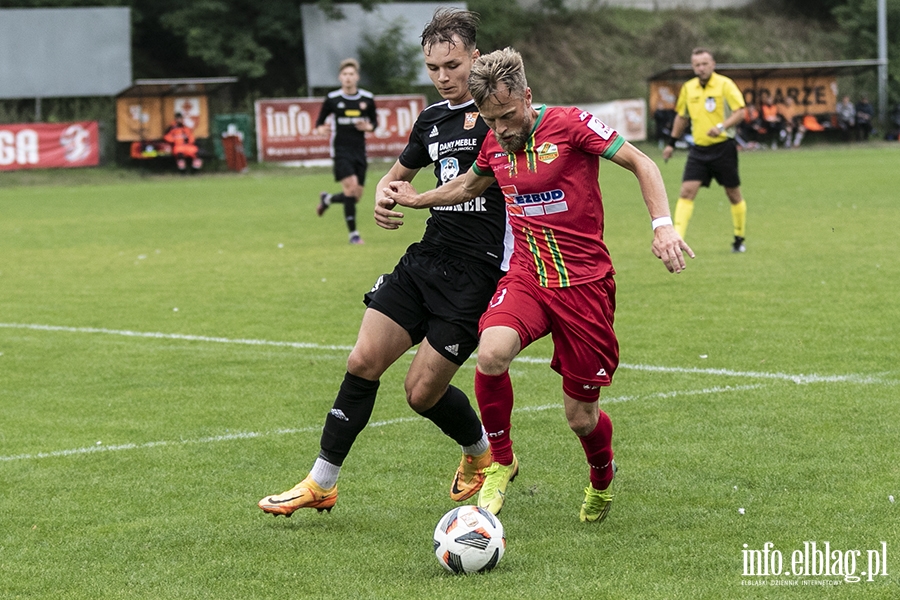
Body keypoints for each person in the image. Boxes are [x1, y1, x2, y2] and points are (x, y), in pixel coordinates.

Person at [384, 47, 693, 522]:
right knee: (490, 353)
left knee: (580, 418)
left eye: (508, 116)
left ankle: (601, 478)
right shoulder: (493, 143)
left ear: (527, 97)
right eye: (490, 121)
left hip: (584, 286)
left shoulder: (571, 125)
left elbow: (642, 163)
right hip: (527, 277)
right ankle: (501, 463)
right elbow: (468, 186)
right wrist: (419, 198)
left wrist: (663, 225)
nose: (501, 129)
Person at [258, 9, 511, 517]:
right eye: (433, 67)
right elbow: (396, 176)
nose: (442, 77)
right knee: (362, 361)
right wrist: (382, 195)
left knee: (420, 394)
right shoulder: (431, 120)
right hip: (427, 258)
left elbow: (473, 184)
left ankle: (482, 454)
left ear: (475, 59)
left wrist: (420, 199)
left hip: (477, 271)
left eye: (452, 64)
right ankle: (321, 482)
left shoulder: (501, 116)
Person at [663, 48, 748, 253]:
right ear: (693, 67)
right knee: (686, 191)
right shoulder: (688, 88)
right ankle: (677, 240)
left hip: (723, 148)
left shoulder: (725, 84)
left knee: (733, 194)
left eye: (704, 64)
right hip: (699, 150)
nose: (701, 68)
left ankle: (739, 237)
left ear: (713, 64)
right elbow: (682, 117)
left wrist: (720, 127)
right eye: (697, 65)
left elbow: (741, 112)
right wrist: (671, 143)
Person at [314, 58, 378, 245]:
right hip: (340, 150)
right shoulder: (333, 99)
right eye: (345, 75)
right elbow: (319, 123)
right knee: (350, 188)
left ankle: (328, 199)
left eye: (351, 74)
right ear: (340, 77)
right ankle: (354, 235)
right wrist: (321, 130)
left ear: (356, 77)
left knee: (355, 196)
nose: (348, 78)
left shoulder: (366, 98)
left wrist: (368, 127)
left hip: (359, 151)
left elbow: (374, 124)